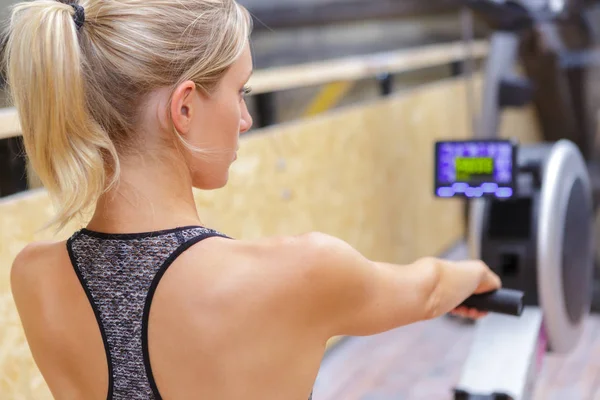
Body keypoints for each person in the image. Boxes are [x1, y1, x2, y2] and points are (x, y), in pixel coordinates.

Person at [4, 0, 502, 399]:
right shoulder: (300, 271)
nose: (245, 118)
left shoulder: (33, 275)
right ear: (184, 107)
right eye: (240, 91)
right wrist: (473, 276)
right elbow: (428, 289)